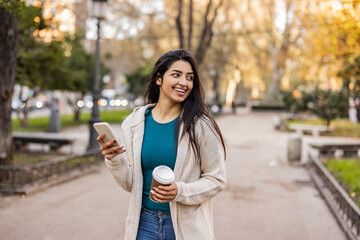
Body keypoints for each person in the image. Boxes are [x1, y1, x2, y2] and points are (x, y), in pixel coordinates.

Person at [97, 49, 226, 240]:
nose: (184, 82)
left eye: (190, 77)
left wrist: (179, 191)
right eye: (176, 75)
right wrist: (115, 159)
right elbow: (132, 184)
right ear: (159, 79)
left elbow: (217, 179)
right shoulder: (135, 123)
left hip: (185, 227)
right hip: (143, 224)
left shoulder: (200, 125)